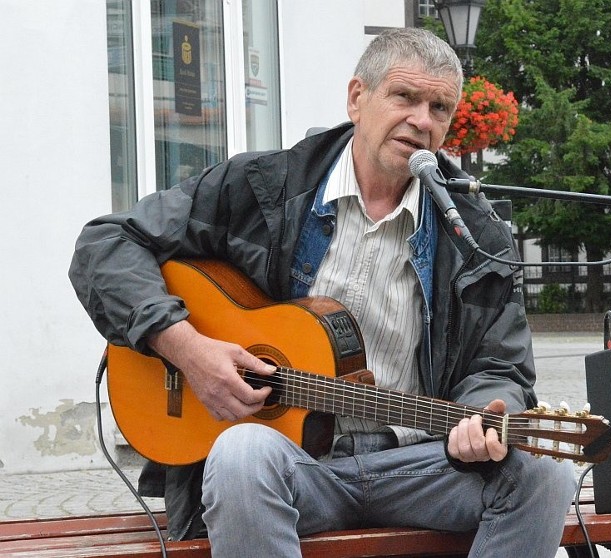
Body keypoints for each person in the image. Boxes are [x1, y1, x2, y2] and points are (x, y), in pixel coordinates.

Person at [69, 28, 575, 556]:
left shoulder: (475, 235)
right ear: (358, 98)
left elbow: (502, 367)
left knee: (547, 470)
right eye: (404, 97)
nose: (422, 121)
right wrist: (186, 349)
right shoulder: (263, 186)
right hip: (292, 465)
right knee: (241, 451)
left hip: (420, 463)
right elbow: (106, 242)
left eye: (440, 108)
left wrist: (479, 414)